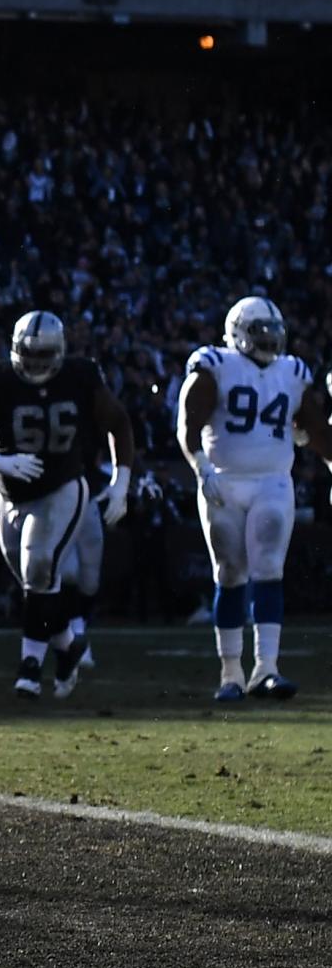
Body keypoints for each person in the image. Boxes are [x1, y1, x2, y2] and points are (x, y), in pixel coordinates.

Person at [0, 309, 137, 699]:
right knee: (36, 585)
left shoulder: (80, 376)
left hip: (62, 488)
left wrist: (122, 482)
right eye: (27, 354)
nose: (34, 363)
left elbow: (119, 422)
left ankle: (29, 667)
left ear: (60, 350)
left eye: (42, 355)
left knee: (39, 566)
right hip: (9, 494)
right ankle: (68, 644)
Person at [177, 295, 328, 702]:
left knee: (268, 567)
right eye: (260, 332)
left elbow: (314, 428)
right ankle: (231, 674)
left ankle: (267, 669)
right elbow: (186, 424)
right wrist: (201, 466)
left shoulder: (293, 371)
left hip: (272, 481)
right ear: (239, 334)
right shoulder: (215, 366)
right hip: (223, 481)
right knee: (229, 571)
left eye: (274, 332)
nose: (269, 340)